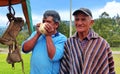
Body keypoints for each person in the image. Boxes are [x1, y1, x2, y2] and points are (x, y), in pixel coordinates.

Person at [60, 8, 115, 74]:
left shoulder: (102, 44)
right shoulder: (69, 43)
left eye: (83, 19)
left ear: (91, 22)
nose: (79, 23)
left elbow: (110, 68)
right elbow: (65, 67)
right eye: (77, 19)